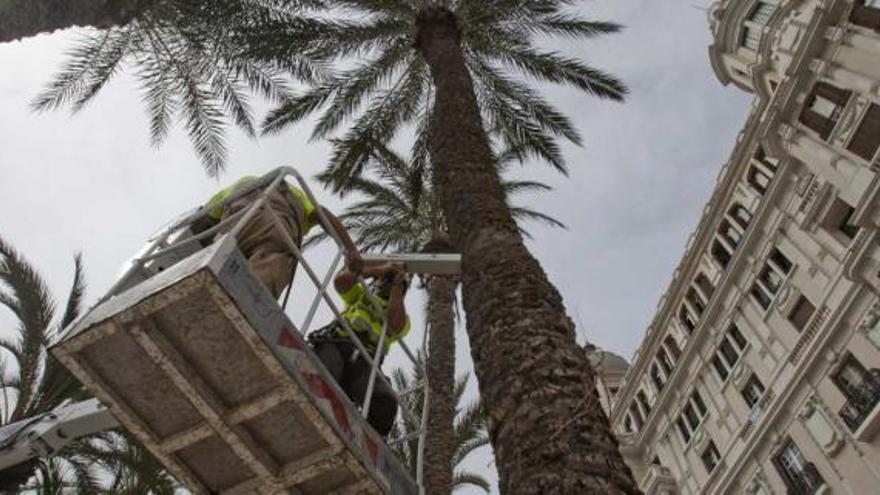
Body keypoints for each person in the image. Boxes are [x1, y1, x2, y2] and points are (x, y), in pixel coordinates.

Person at [194, 174, 362, 299]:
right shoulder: (296, 194)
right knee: (271, 262)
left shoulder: (243, 181)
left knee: (220, 255)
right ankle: (247, 303)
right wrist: (351, 250)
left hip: (234, 218)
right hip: (274, 220)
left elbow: (204, 218)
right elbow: (321, 213)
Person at [309, 261, 410, 438]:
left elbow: (395, 325)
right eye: (386, 280)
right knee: (327, 369)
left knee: (384, 403)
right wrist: (380, 269)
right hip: (338, 343)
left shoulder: (400, 314)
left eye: (395, 283)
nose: (387, 283)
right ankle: (314, 406)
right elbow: (341, 282)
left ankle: (367, 440)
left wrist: (397, 289)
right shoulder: (359, 295)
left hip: (365, 362)